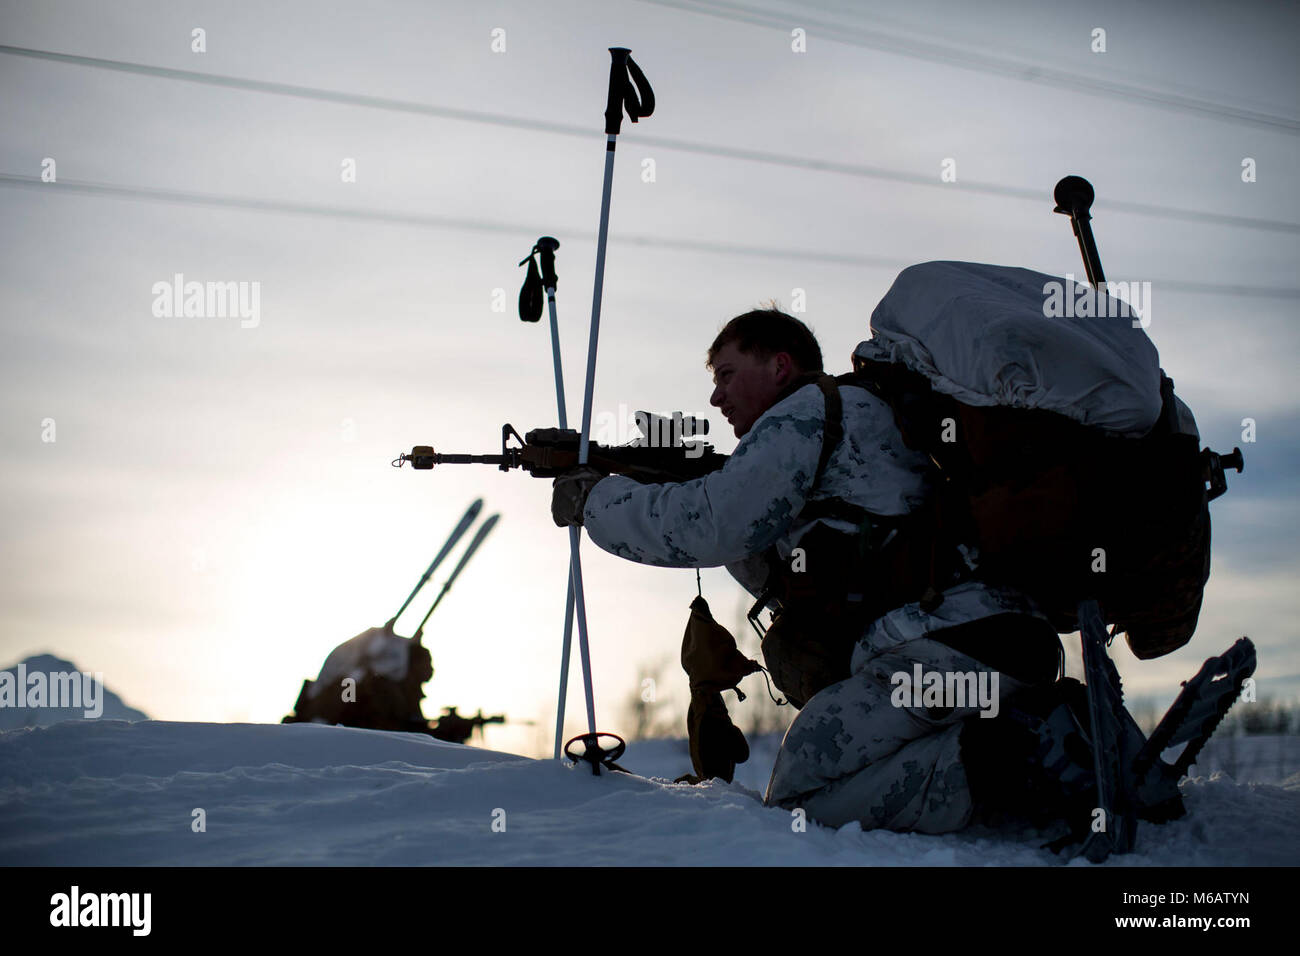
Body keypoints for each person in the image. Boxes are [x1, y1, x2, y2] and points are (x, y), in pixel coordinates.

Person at [550, 307, 1063, 834]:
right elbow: (772, 561)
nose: (715, 398)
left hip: (948, 647)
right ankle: (1035, 740)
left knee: (802, 797)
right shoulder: (853, 423)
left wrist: (595, 501)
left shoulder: (803, 414)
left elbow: (716, 521)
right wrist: (663, 476)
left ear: (779, 366)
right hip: (988, 642)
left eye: (726, 375)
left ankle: (1029, 756)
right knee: (829, 774)